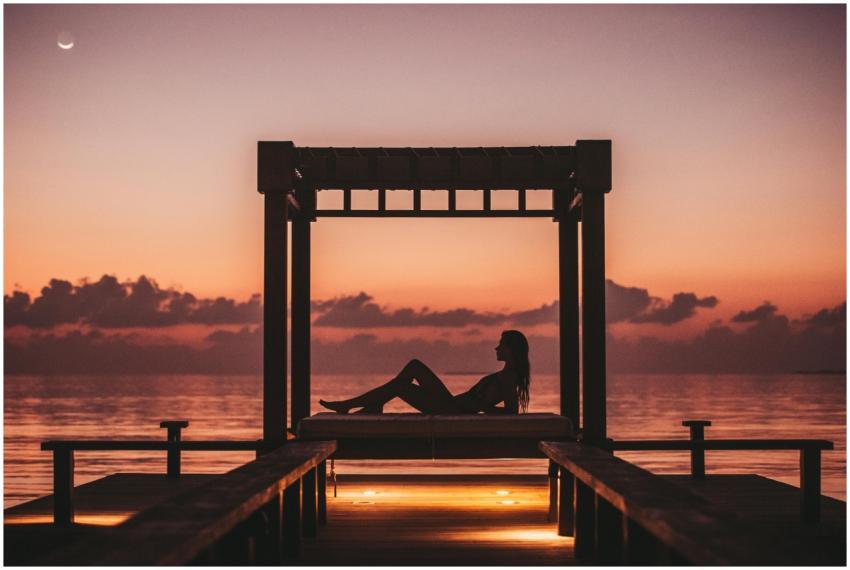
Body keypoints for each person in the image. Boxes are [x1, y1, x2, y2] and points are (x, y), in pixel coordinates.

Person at [319, 330, 530, 415]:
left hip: (451, 411)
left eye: (501, 345)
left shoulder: (508, 377)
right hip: (451, 404)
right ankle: (368, 405)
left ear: (512, 350)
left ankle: (355, 405)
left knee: (400, 385)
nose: (496, 348)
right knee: (414, 366)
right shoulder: (506, 374)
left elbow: (511, 412)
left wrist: (483, 408)